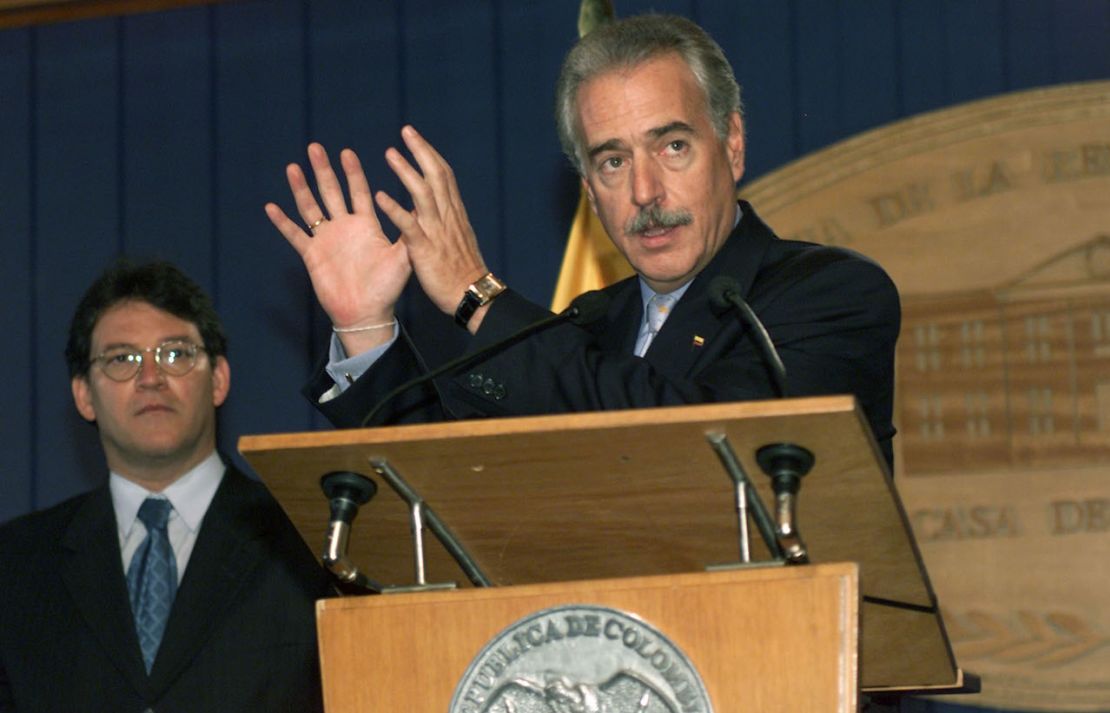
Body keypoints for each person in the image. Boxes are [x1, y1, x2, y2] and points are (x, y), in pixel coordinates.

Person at [265, 14, 900, 467]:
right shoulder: (587, 326)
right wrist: (367, 328)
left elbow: (697, 440)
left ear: (731, 145)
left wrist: (476, 294)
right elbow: (453, 488)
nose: (645, 192)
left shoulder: (832, 294)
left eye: (672, 146)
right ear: (590, 191)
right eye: (613, 162)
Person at [0, 261, 333, 712]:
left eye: (175, 354)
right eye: (122, 359)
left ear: (218, 379)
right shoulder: (15, 565)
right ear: (83, 395)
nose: (151, 378)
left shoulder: (307, 543)